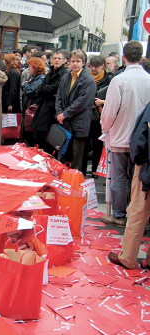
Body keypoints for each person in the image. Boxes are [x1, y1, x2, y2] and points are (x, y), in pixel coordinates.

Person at [101, 41, 150, 227]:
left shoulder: (119, 80)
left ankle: (119, 215)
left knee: (120, 179)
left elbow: (110, 111)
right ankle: (138, 219)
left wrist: (106, 129)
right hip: (143, 139)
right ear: (141, 57)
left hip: (121, 137)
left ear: (123, 58)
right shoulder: (148, 79)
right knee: (139, 182)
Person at [108, 101, 150, 269]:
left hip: (147, 169)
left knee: (137, 213)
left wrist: (138, 161)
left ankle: (128, 256)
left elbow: (141, 137)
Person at [55, 49, 96, 170]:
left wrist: (64, 114)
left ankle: (73, 182)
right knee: (63, 154)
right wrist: (59, 113)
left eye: (78, 61)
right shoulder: (66, 77)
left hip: (79, 122)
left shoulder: (88, 80)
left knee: (76, 155)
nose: (75, 64)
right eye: (73, 61)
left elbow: (81, 103)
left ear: (83, 63)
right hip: (65, 121)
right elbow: (60, 96)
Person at [30, 50, 68, 153]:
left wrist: (44, 90)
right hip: (44, 106)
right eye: (55, 58)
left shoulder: (64, 74)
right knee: (38, 136)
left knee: (50, 139)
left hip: (53, 110)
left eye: (59, 58)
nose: (56, 60)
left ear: (64, 61)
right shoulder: (50, 72)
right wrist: (44, 90)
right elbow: (40, 88)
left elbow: (54, 88)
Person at [81, 56, 111, 177]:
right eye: (92, 66)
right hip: (86, 114)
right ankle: (82, 169)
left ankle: (95, 169)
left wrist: (102, 102)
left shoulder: (108, 79)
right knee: (85, 143)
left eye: (96, 66)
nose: (93, 69)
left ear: (102, 66)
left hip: (100, 116)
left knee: (98, 144)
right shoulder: (86, 78)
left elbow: (112, 97)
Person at [22, 57, 46, 146]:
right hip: (29, 107)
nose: (28, 68)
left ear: (36, 68)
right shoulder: (32, 77)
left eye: (30, 66)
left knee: (31, 134)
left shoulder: (40, 78)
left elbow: (30, 91)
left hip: (34, 109)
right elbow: (23, 88)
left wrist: (26, 84)